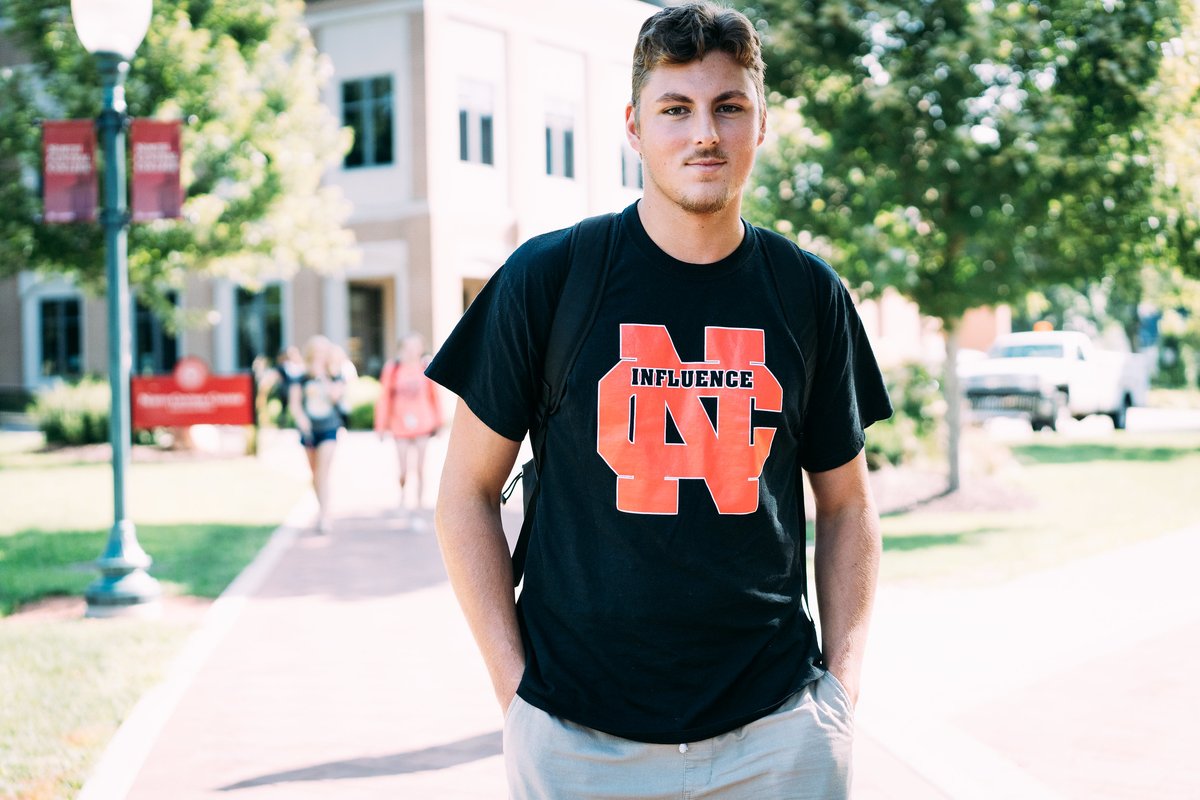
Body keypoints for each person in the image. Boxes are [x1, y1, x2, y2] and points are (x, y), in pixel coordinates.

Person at [427, 3, 893, 797]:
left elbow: (848, 505)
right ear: (634, 129)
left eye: (728, 107)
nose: (704, 133)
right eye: (675, 109)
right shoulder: (549, 279)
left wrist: (839, 696)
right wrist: (518, 701)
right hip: (579, 742)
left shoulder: (807, 293)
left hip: (778, 738)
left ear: (760, 123)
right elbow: (464, 494)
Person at [375, 333, 443, 512]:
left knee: (421, 467)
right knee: (403, 468)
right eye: (408, 347)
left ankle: (419, 503)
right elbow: (384, 397)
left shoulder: (426, 366)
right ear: (402, 349)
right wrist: (381, 426)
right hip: (399, 425)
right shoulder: (393, 369)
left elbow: (435, 396)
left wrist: (439, 423)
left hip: (423, 423)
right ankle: (403, 495)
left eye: (415, 347)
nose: (412, 351)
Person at [289, 335, 345, 534]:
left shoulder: (335, 376)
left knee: (323, 471)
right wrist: (301, 419)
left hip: (329, 428)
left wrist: (323, 377)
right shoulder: (301, 377)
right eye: (316, 352)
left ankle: (324, 515)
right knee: (314, 473)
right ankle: (322, 507)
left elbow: (335, 397)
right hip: (309, 431)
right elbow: (295, 404)